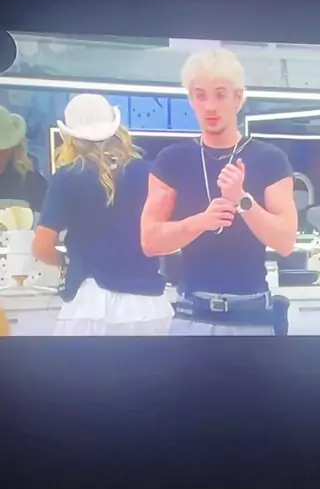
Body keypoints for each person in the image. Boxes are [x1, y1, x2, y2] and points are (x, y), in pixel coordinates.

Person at [141, 48, 297, 335]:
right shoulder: (171, 160)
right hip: (192, 316)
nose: (210, 106)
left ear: (238, 98)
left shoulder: (270, 159)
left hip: (252, 317)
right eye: (200, 95)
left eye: (220, 95)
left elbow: (286, 241)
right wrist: (201, 221)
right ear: (191, 99)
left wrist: (242, 200)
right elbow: (150, 241)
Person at [33, 94, 173, 335]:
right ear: (117, 129)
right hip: (149, 305)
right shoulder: (150, 173)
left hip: (92, 303)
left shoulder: (68, 176)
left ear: (71, 137)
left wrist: (67, 263)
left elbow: (42, 247)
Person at [0, 105, 47, 213]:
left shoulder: (29, 179)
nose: (2, 152)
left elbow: (50, 216)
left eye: (4, 148)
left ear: (14, 146)